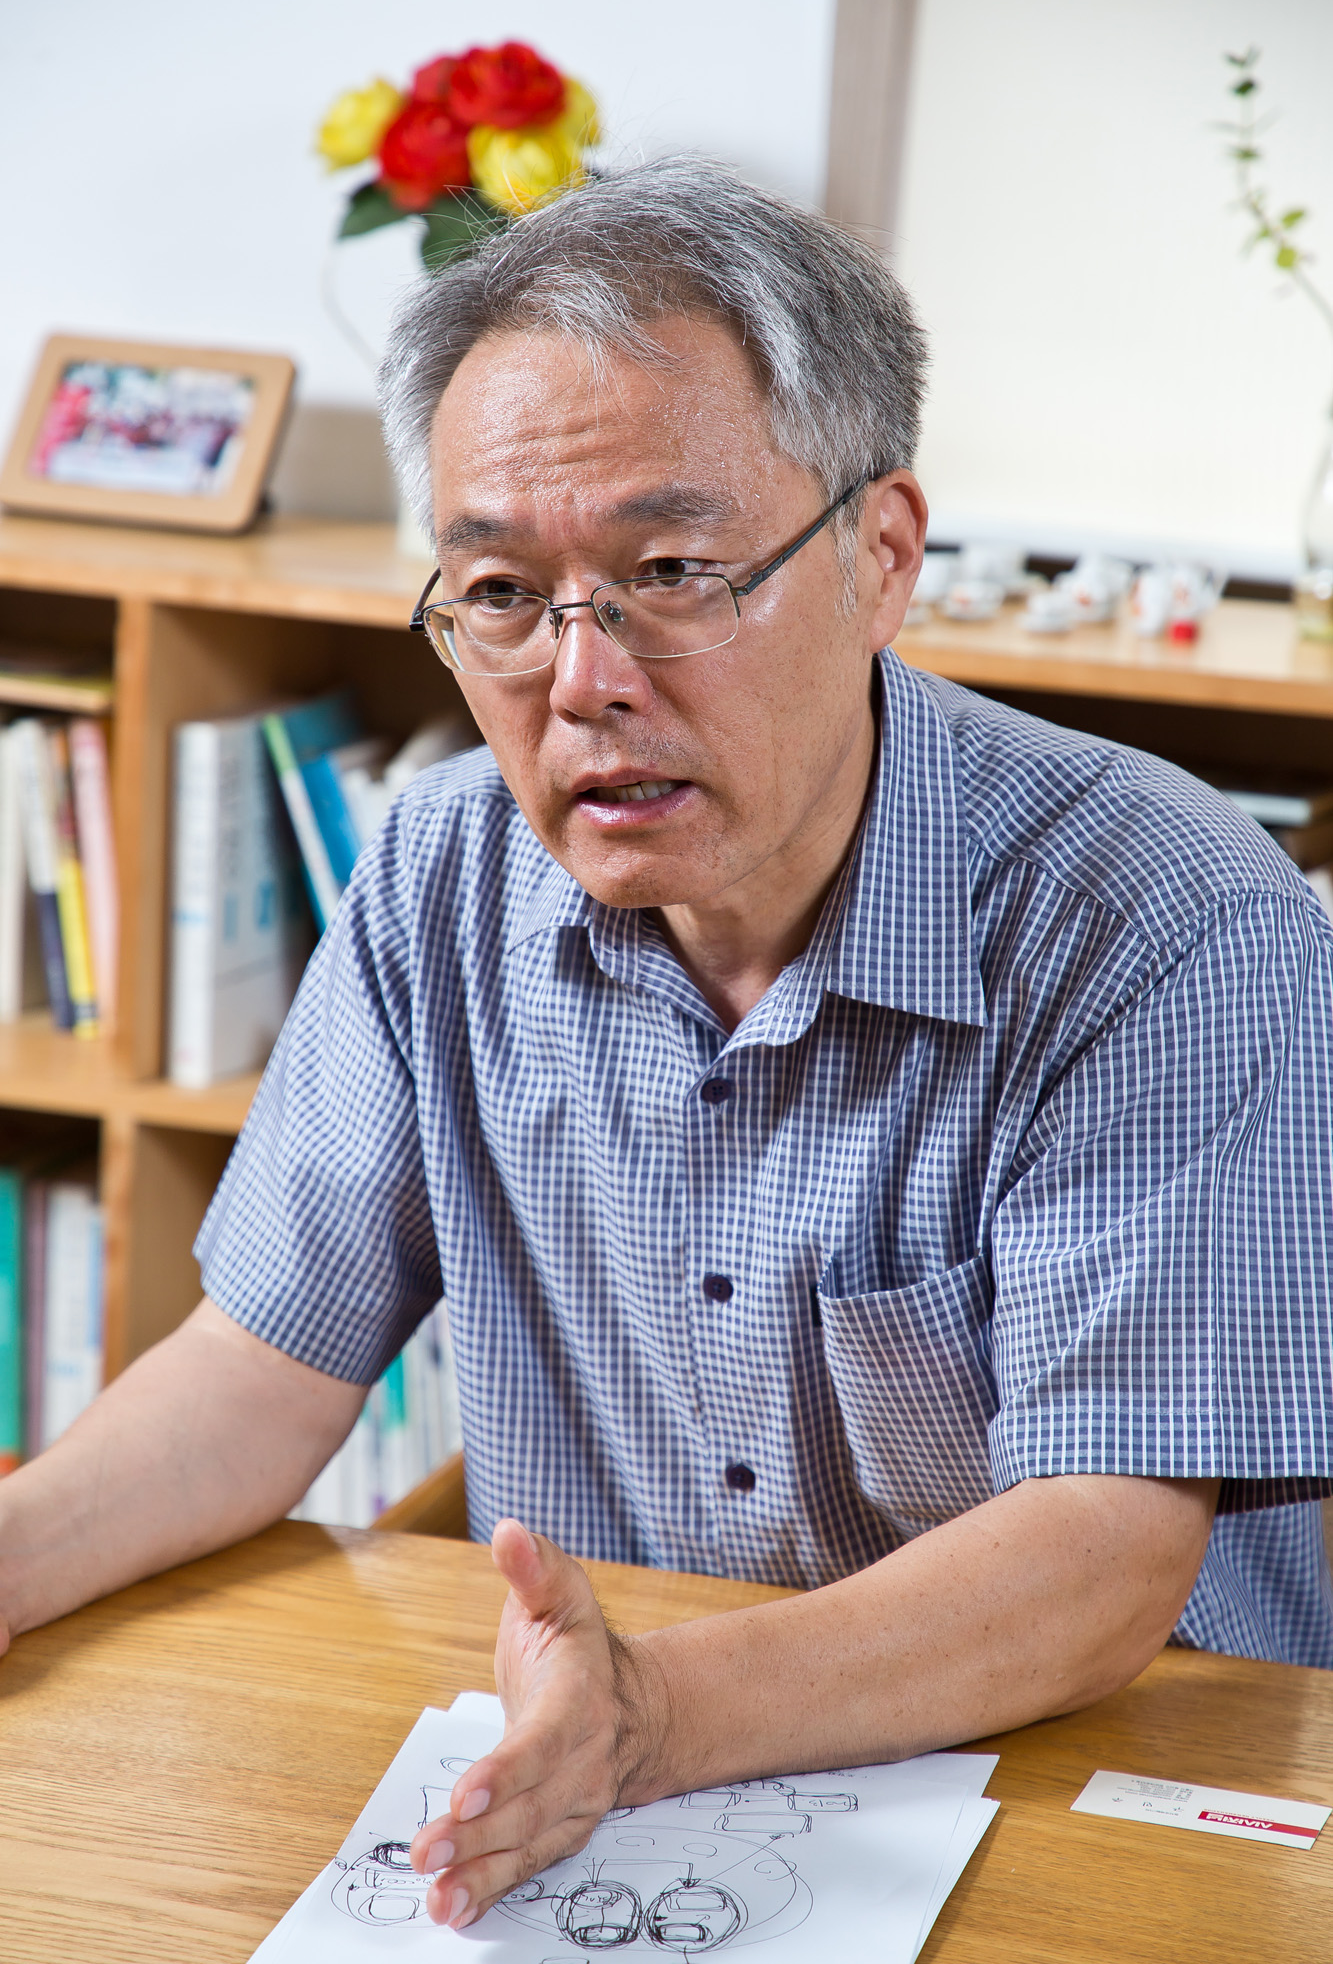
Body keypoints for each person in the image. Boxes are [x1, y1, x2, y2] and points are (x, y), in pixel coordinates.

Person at [2, 157, 1331, 1933]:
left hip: (1108, 1777)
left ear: (877, 557)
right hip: (620, 1794)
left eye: (674, 571)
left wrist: (646, 1715)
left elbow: (1103, 1554)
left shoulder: (1156, 912)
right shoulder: (434, 870)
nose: (582, 677)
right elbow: (259, 1368)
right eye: (497, 591)